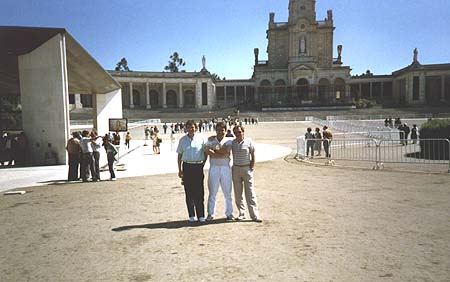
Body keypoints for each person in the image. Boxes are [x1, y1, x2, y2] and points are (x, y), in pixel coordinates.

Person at [176, 120, 207, 223]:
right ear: (186, 128)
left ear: (196, 128)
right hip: (187, 166)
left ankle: (201, 215)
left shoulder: (201, 138)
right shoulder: (182, 140)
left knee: (199, 192)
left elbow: (205, 152)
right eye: (189, 127)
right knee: (189, 192)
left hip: (198, 166)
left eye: (193, 127)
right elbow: (180, 155)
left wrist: (203, 163)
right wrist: (180, 169)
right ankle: (191, 215)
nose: (191, 129)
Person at [231, 125, 262, 222]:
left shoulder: (249, 141)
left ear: (243, 132)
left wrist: (251, 167)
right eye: (235, 133)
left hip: (246, 168)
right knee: (238, 193)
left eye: (239, 132)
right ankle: (242, 213)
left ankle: (254, 215)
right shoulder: (233, 143)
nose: (237, 134)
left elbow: (253, 154)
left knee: (250, 192)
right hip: (236, 169)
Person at [205, 121, 234, 222]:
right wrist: (220, 152)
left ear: (226, 131)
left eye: (222, 130)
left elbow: (226, 151)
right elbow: (208, 151)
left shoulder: (229, 140)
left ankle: (229, 213)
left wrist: (215, 150)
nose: (220, 132)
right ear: (215, 131)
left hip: (225, 167)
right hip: (214, 167)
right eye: (218, 130)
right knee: (212, 192)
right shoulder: (210, 140)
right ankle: (210, 214)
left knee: (228, 192)